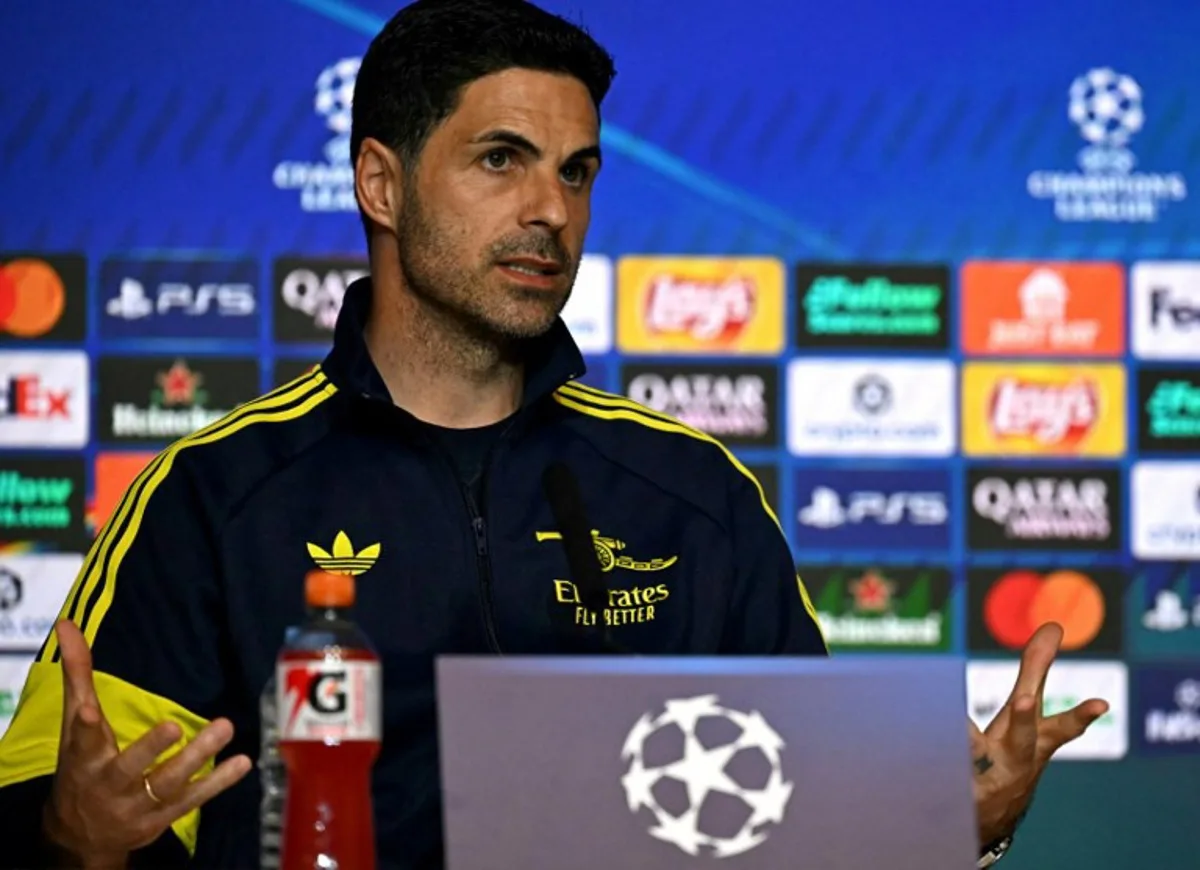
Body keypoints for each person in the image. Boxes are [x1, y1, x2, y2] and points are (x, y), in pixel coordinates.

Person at [0, 1, 1109, 867]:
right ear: (381, 184)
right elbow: (63, 810)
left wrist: (952, 824)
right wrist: (67, 837)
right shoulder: (213, 494)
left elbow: (795, 823)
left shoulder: (692, 494)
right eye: (502, 159)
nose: (552, 211)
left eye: (576, 172)